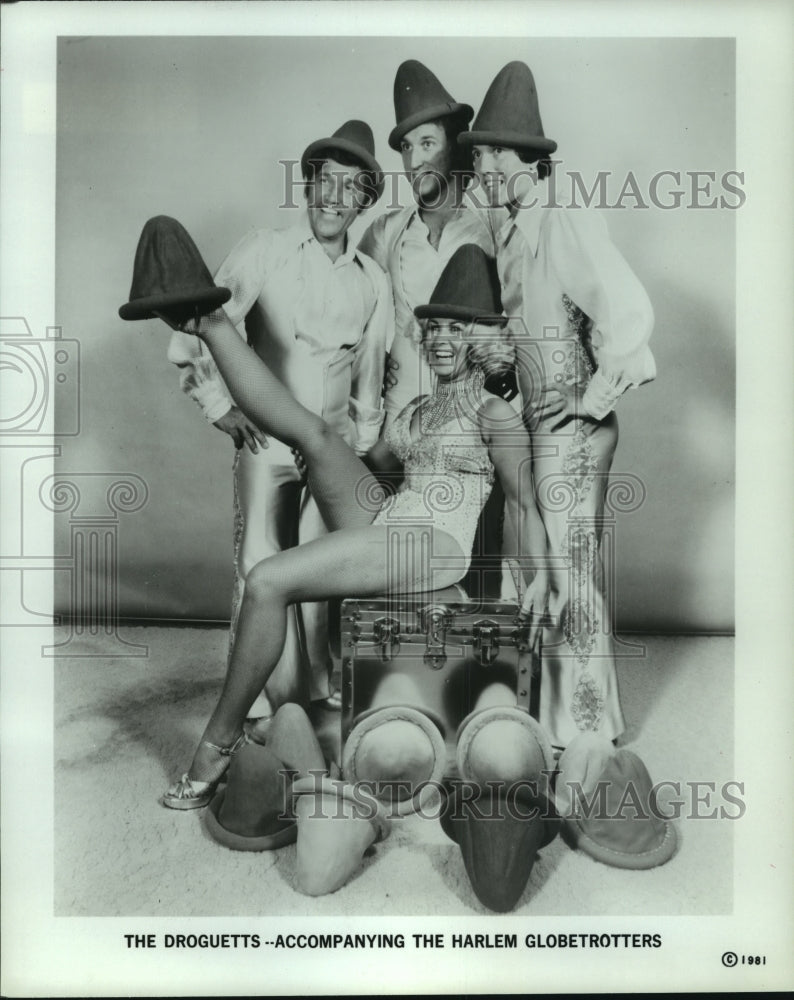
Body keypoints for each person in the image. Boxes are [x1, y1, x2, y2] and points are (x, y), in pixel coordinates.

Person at [158, 243, 551, 809]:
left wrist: (534, 578)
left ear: (482, 339)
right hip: (395, 517)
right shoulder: (420, 409)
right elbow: (384, 476)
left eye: (457, 330)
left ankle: (218, 741)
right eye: (434, 326)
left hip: (438, 544)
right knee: (316, 435)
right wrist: (326, 467)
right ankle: (212, 323)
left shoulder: (495, 412)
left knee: (268, 580)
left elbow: (522, 503)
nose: (441, 339)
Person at [460, 61, 656, 750]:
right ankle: (555, 720)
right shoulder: (512, 230)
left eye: (484, 153)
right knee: (541, 563)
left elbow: (628, 317)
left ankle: (590, 740)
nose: (477, 167)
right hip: (543, 427)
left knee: (569, 570)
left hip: (572, 432)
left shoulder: (564, 216)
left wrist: (589, 400)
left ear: (521, 157)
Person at [166, 121, 393, 715]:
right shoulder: (263, 248)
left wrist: (363, 444)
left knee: (321, 567)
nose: (333, 198)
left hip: (335, 446)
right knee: (261, 561)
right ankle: (263, 701)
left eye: (350, 187)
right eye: (323, 181)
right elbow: (198, 329)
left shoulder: (374, 280)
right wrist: (220, 405)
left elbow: (370, 370)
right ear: (308, 187)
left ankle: (311, 694)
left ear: (365, 201)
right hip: (266, 441)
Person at [359, 59, 507, 599]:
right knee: (395, 536)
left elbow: (513, 311)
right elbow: (361, 323)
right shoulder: (384, 232)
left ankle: (482, 658)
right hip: (401, 409)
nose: (415, 159)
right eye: (406, 148)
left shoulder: (492, 222)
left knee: (479, 534)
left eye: (427, 143)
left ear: (454, 146)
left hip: (470, 406)